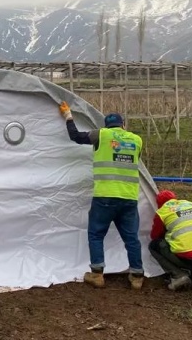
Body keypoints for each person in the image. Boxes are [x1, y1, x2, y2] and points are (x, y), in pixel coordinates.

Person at [59, 101, 144, 290]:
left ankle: (97, 274)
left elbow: (76, 136)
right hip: (129, 197)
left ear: (106, 126)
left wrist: (68, 116)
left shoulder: (102, 135)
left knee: (96, 234)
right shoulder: (136, 140)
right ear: (123, 125)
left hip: (105, 197)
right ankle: (137, 275)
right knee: (131, 238)